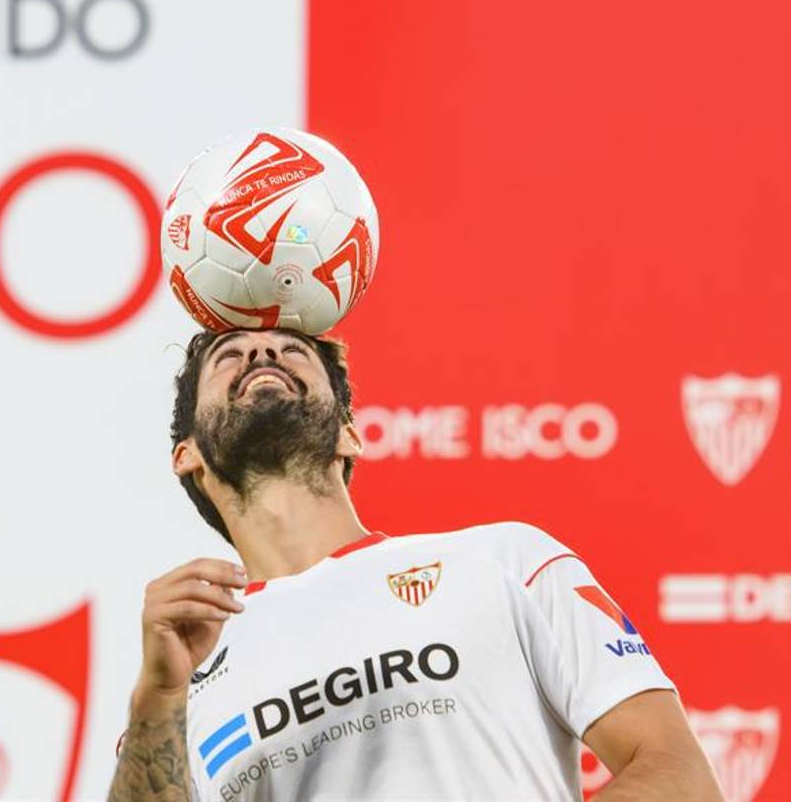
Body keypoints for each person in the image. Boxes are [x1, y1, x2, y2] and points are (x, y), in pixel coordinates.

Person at [108, 328, 721, 801]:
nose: (262, 353)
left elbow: (678, 776)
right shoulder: (179, 683)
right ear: (186, 454)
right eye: (231, 355)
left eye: (291, 351)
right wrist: (158, 697)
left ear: (350, 434)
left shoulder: (507, 560)